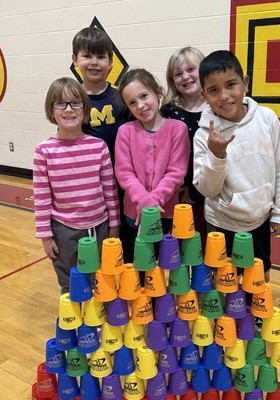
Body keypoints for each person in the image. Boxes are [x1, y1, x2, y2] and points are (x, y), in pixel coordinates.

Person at [193, 50, 280, 288]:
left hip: (259, 218)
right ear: (204, 95)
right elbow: (207, 189)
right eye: (214, 90)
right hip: (222, 222)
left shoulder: (266, 118)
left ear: (245, 83)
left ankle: (255, 316)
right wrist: (217, 154)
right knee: (224, 280)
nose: (224, 96)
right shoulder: (203, 135)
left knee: (256, 277)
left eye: (231, 85)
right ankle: (223, 322)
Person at [33, 77, 121, 295]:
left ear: (85, 107)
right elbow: (42, 197)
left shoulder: (98, 146)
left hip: (99, 226)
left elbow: (109, 189)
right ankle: (75, 322)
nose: (69, 109)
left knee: (100, 277)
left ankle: (98, 322)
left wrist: (114, 225)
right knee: (70, 280)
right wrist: (45, 236)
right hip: (64, 230)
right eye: (60, 104)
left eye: (75, 103)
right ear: (51, 110)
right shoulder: (43, 151)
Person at [114, 68, 190, 268]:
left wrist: (152, 203)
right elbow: (124, 174)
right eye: (132, 102)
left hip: (166, 215)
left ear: (158, 92)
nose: (140, 105)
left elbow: (176, 174)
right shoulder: (125, 132)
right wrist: (145, 201)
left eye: (144, 96)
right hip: (134, 216)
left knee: (166, 268)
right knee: (138, 267)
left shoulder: (177, 129)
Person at [71, 26, 135, 262]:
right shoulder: (72, 100)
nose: (94, 62)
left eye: (101, 56)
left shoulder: (121, 97)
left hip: (123, 182)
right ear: (75, 60)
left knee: (125, 240)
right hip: (90, 187)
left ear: (111, 63)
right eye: (87, 55)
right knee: (96, 241)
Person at [160, 46, 208, 243]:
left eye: (190, 69)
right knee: (178, 246)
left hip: (209, 192)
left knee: (206, 245)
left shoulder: (216, 108)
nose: (185, 77)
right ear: (172, 81)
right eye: (178, 74)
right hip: (178, 193)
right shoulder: (168, 111)